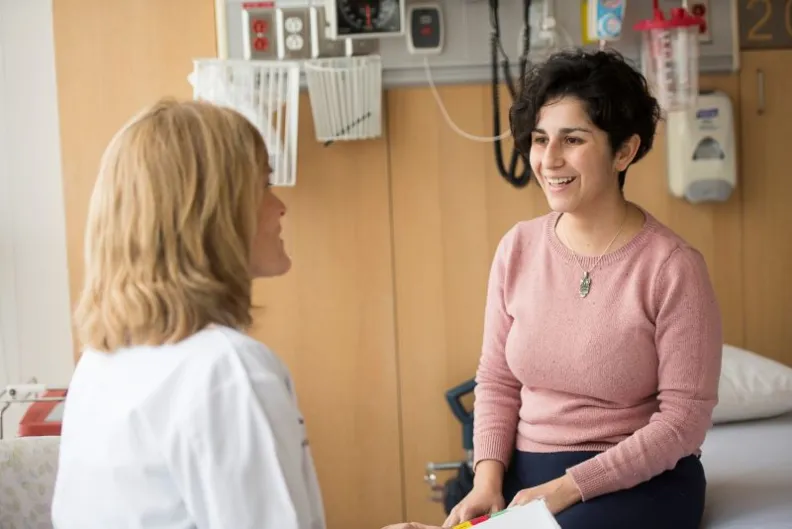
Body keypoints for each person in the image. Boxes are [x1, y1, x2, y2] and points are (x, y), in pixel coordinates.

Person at [50, 99, 435, 529]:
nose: (280, 206)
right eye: (265, 185)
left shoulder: (101, 363)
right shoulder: (226, 372)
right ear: (214, 210)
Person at [444, 49, 723, 529]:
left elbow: (683, 422)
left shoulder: (673, 267)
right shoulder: (518, 248)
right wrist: (486, 480)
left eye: (572, 139)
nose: (549, 159)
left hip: (639, 478)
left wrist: (566, 489)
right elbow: (496, 379)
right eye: (540, 139)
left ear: (624, 151)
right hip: (526, 470)